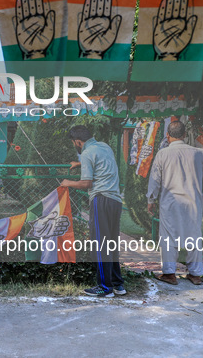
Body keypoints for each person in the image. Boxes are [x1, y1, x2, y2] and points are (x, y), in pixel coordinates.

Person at [146, 121, 203, 285]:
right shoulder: (197, 152)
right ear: (183, 135)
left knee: (168, 238)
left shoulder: (163, 154)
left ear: (167, 136)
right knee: (194, 236)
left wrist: (150, 200)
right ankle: (195, 274)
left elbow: (155, 179)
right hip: (192, 203)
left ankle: (169, 273)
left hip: (170, 203)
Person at [61, 125, 124, 298]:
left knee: (100, 244)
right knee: (111, 243)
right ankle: (118, 285)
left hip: (100, 200)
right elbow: (101, 162)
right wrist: (80, 164)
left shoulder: (87, 153)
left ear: (78, 142)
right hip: (115, 201)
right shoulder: (104, 146)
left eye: (74, 143)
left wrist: (68, 183)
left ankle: (104, 287)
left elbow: (86, 183)